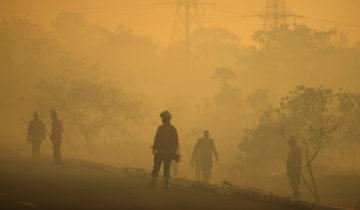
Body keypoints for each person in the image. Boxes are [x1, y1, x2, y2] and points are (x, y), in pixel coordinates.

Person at [148, 111, 179, 188]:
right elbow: (157, 138)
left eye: (163, 118)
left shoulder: (170, 129)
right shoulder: (164, 128)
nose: (162, 120)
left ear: (167, 119)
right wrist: (155, 147)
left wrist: (173, 150)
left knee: (162, 167)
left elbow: (175, 142)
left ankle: (162, 183)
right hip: (162, 152)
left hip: (165, 152)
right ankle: (159, 182)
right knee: (160, 167)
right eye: (162, 118)